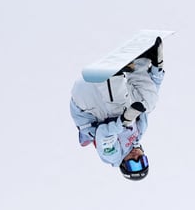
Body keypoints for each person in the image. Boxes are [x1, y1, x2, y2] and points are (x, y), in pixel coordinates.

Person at [70, 38, 165, 180]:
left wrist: (124, 121)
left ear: (124, 165)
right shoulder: (139, 132)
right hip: (103, 93)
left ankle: (113, 75)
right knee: (148, 104)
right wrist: (157, 71)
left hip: (87, 98)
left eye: (134, 165)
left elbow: (104, 134)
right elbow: (150, 96)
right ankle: (142, 59)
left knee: (122, 115)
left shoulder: (113, 156)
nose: (137, 158)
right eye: (143, 161)